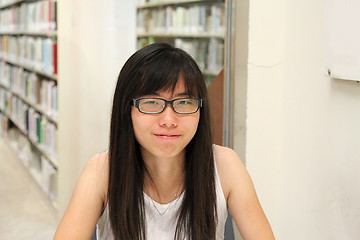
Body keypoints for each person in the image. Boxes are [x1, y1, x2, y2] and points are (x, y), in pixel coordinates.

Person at [53, 43, 275, 240]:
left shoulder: (225, 165)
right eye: (151, 102)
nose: (169, 120)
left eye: (184, 102)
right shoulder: (102, 170)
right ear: (126, 109)